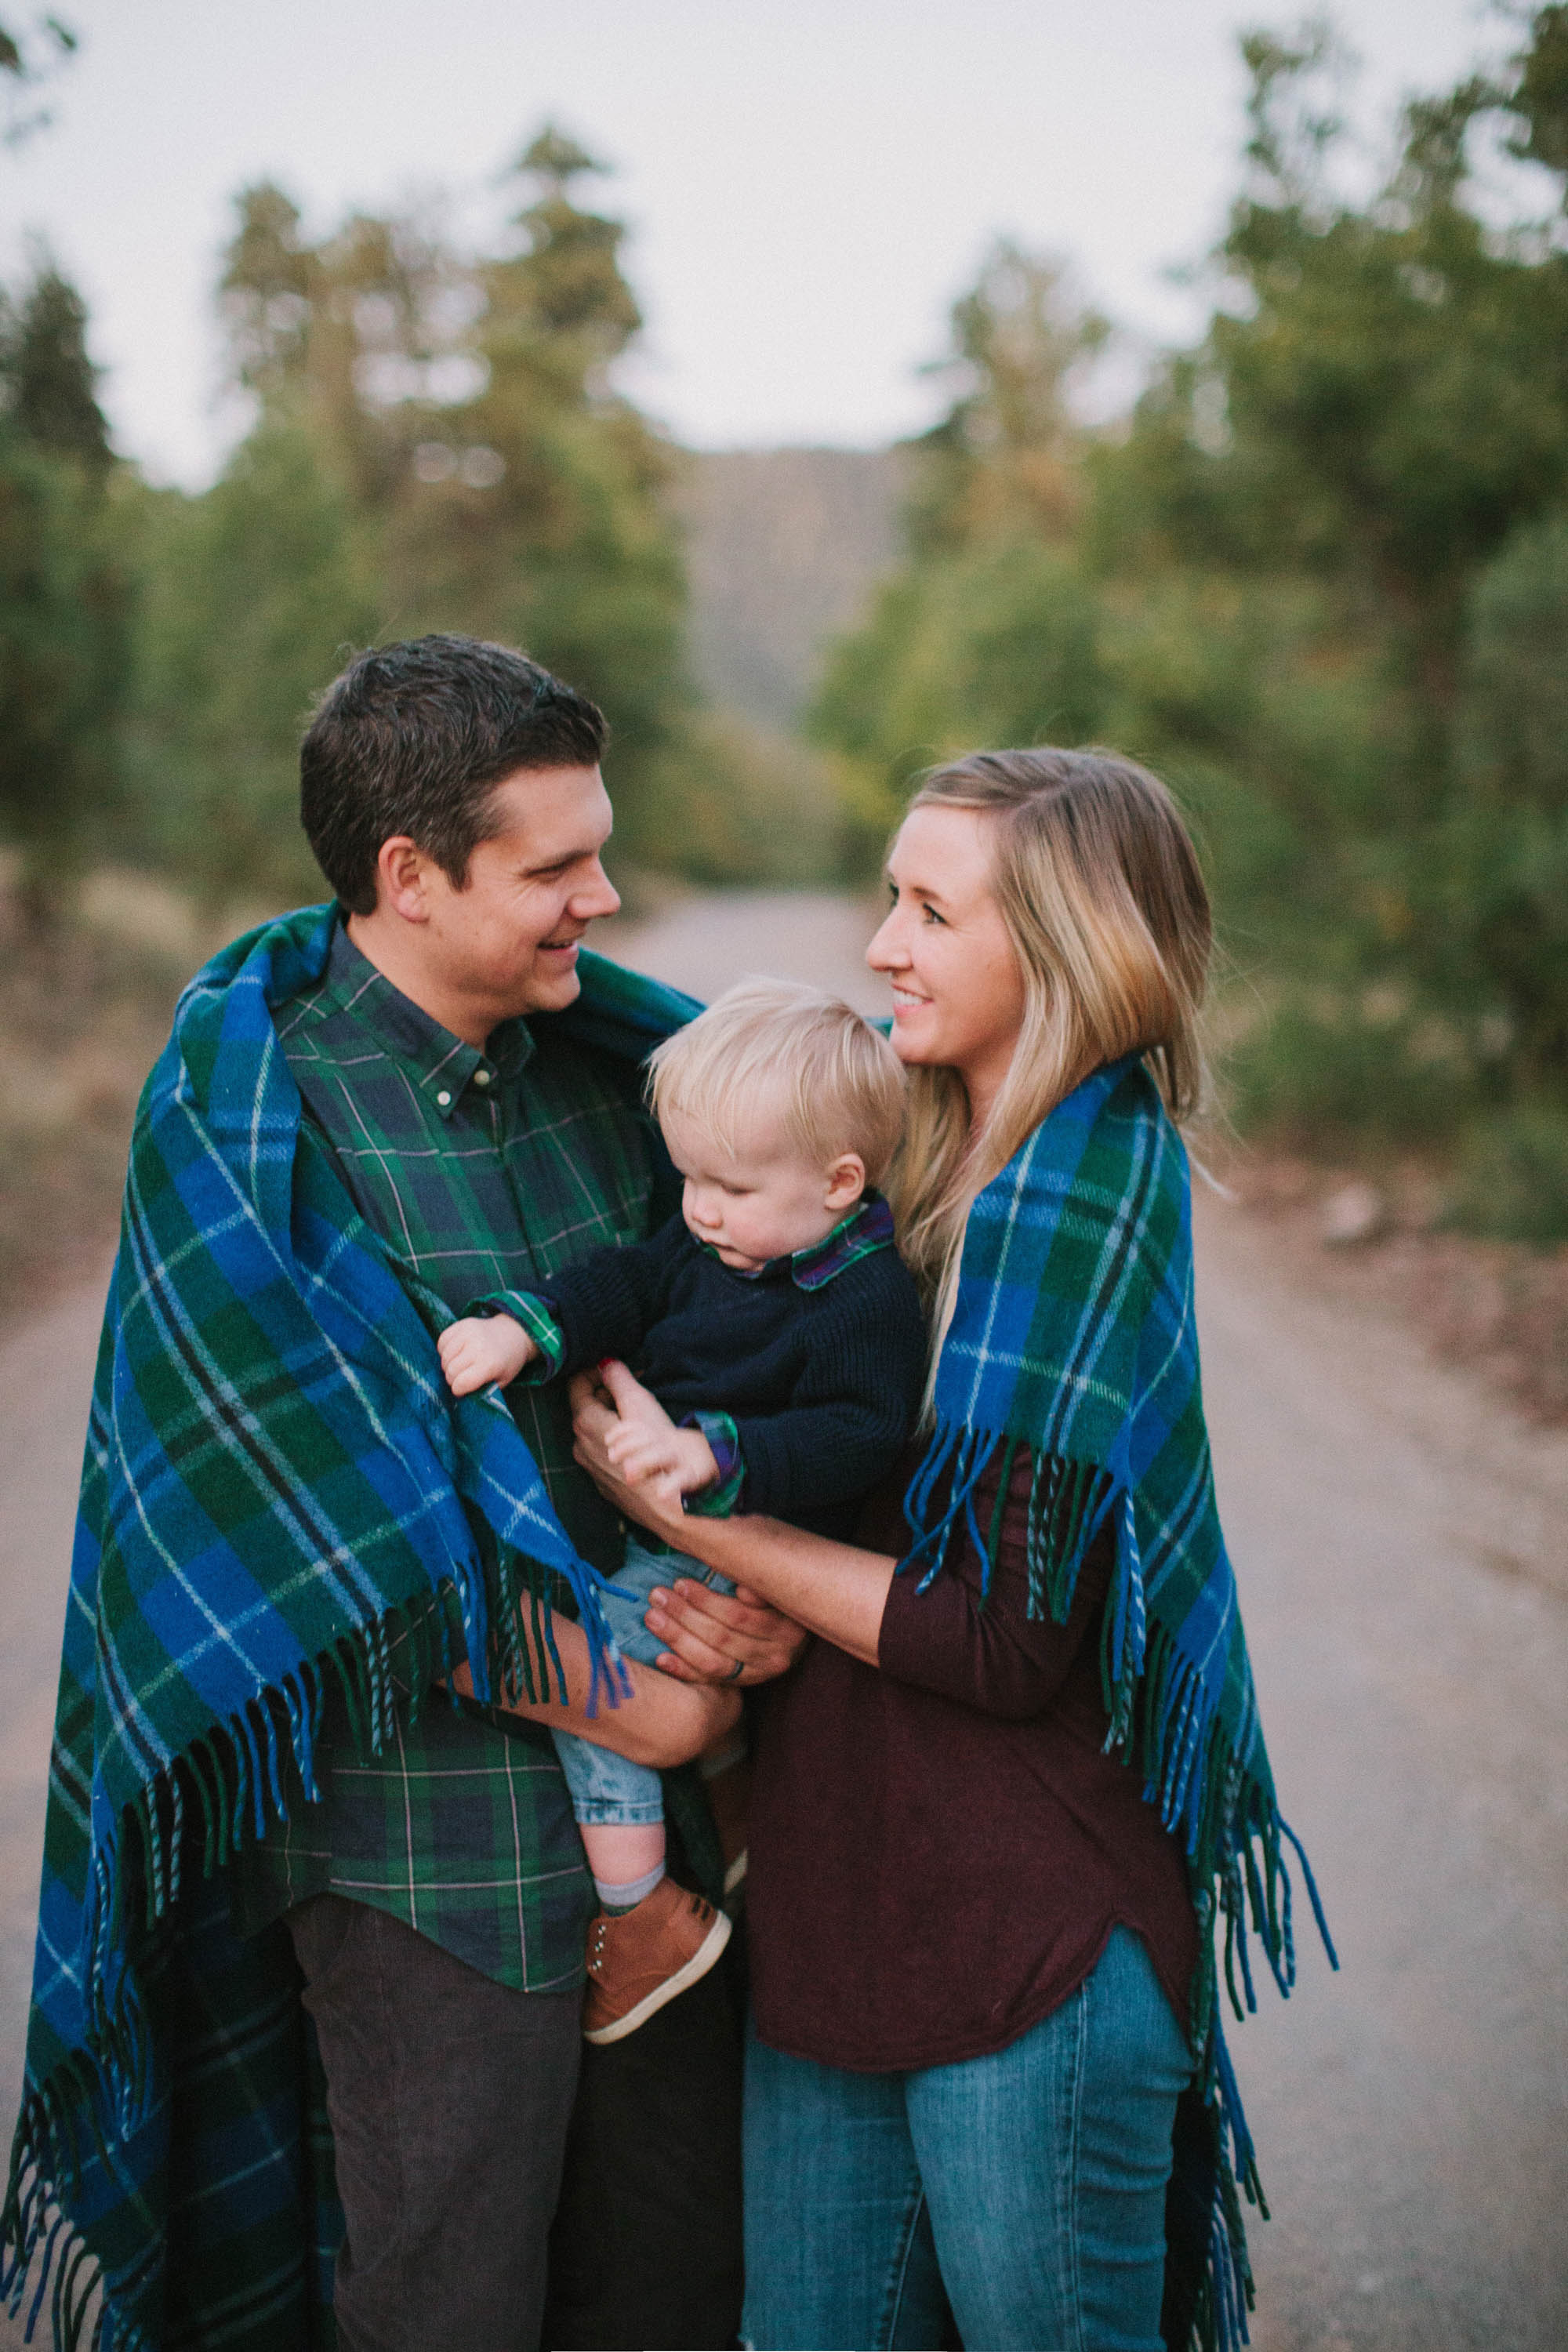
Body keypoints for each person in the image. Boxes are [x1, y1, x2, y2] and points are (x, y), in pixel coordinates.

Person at [5, 634, 800, 2352]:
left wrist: (737, 1599)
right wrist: (638, 1714)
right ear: (409, 879)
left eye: (602, 846)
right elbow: (314, 1544)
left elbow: (731, 1346)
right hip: (424, 1861)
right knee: (449, 2304)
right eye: (556, 865)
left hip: (677, 1839)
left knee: (671, 2286)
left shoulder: (612, 1083)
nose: (603, 895)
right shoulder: (257, 1123)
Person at [569, 747, 1334, 2352]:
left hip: (1023, 1949)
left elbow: (995, 1638)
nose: (880, 945)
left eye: (930, 909)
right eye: (888, 896)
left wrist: (697, 1519)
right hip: (839, 1918)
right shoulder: (897, 1164)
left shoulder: (1072, 1193)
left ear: (1056, 950)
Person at [438, 976, 926, 2043]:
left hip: (754, 1539)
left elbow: (859, 1433)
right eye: (690, 1176)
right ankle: (725, 1810)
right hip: (677, 1515)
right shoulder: (711, 1239)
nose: (699, 1209)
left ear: (841, 1181)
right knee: (630, 1642)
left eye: (733, 1187)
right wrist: (528, 1331)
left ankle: (641, 1908)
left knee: (599, 1664)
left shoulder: (864, 1299)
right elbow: (623, 1283)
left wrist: (712, 1455)